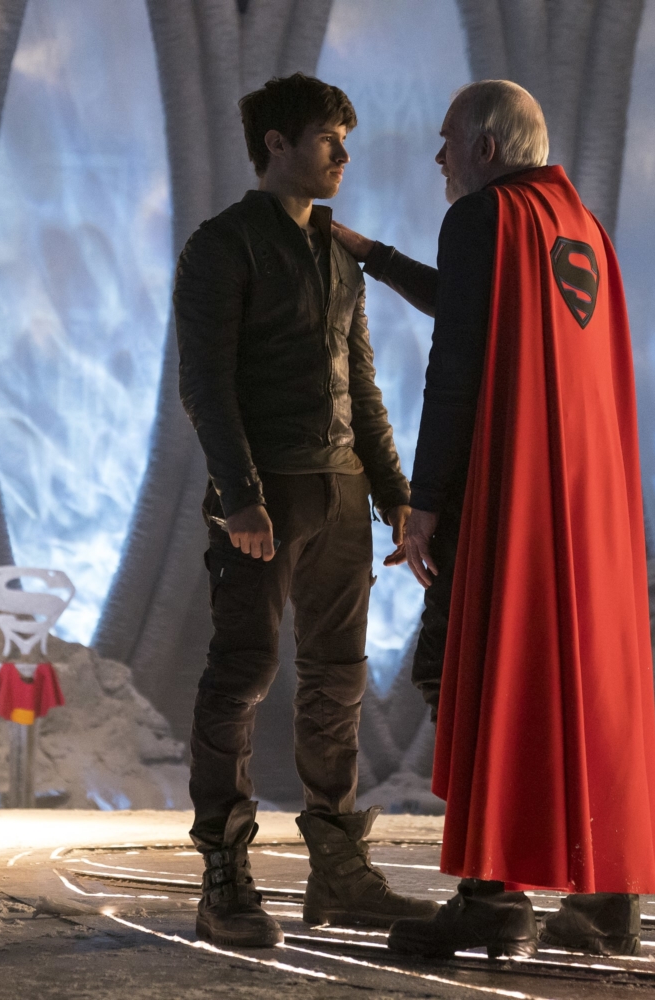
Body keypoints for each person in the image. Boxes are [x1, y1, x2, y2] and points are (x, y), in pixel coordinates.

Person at [333, 80, 655, 959]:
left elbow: (456, 367)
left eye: (447, 139)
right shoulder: (577, 227)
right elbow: (473, 302)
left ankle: (492, 893)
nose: (438, 157)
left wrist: (423, 507)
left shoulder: (482, 217)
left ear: (485, 148)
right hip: (585, 506)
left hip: (511, 500)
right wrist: (374, 255)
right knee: (582, 681)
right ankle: (606, 896)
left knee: (462, 667)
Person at [174, 72, 438, 948]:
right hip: (268, 498)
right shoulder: (222, 245)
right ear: (277, 144)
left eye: (345, 139)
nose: (343, 155)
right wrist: (241, 497)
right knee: (243, 673)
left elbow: (361, 385)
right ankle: (224, 875)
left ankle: (339, 874)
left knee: (338, 680)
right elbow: (206, 385)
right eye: (330, 138)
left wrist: (397, 496)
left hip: (342, 494)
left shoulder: (337, 252)